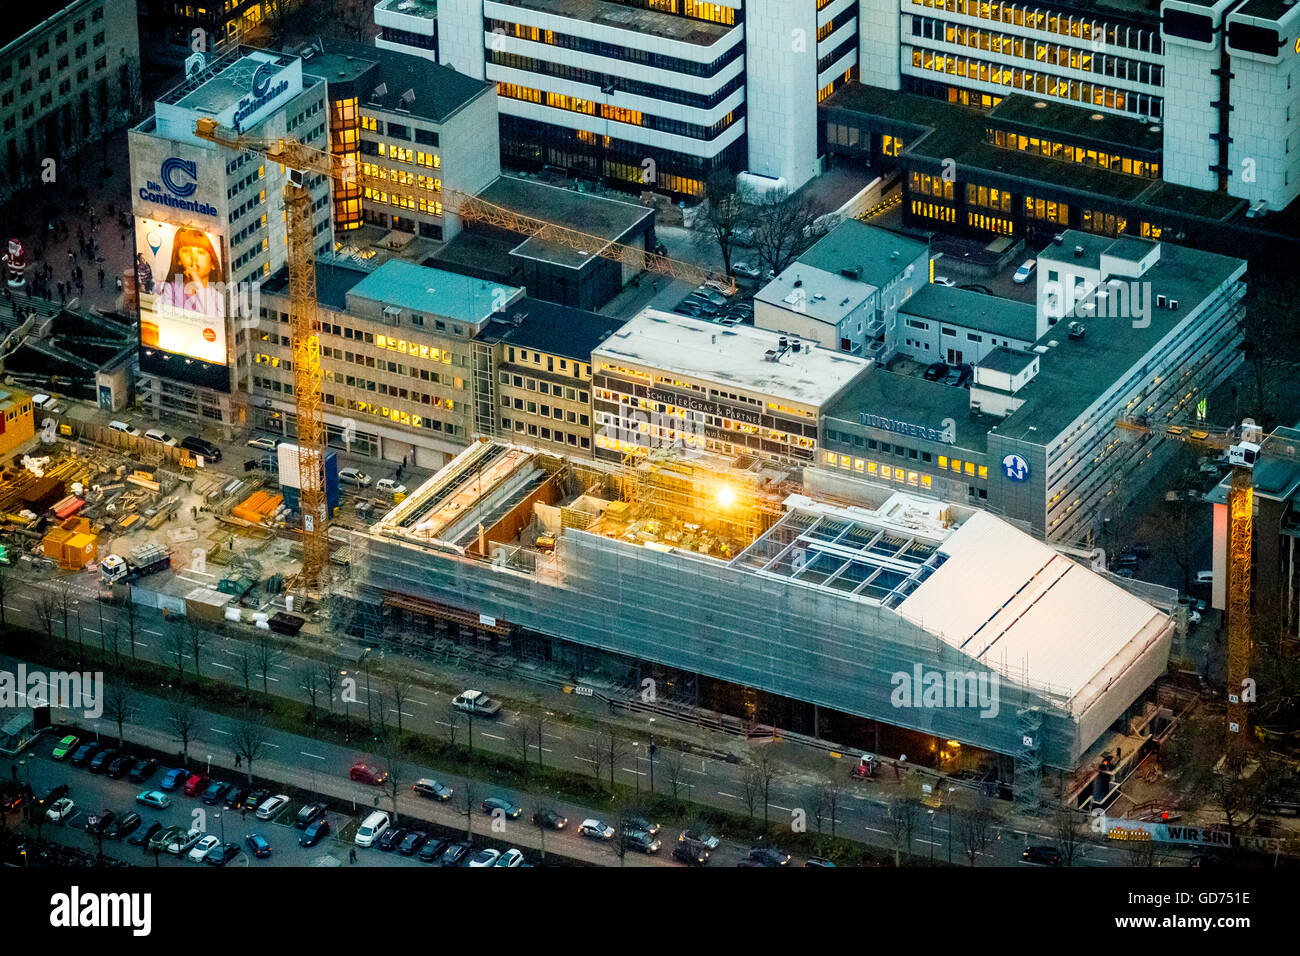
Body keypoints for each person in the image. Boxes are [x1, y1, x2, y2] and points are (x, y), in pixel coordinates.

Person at [156, 228, 224, 317]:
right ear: (178, 260)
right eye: (186, 251)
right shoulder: (170, 290)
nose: (194, 259)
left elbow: (213, 321)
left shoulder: (218, 298)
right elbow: (165, 318)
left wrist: (198, 286)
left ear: (212, 263)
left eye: (201, 252)